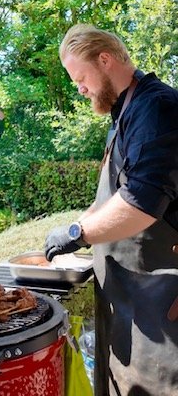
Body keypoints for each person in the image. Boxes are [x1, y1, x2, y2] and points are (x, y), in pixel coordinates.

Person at [44, 24, 178, 396]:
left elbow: (141, 203)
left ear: (105, 60)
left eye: (81, 78)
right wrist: (76, 224)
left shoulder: (157, 108)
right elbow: (111, 199)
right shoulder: (125, 113)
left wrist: (77, 235)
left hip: (161, 301)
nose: (80, 88)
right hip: (129, 298)